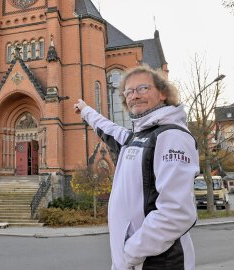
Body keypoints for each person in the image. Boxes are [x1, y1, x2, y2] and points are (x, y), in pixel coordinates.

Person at [74, 65, 199, 270]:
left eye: (143, 88)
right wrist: (86, 111)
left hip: (159, 262)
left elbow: (177, 212)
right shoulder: (138, 137)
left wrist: (132, 252)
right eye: (129, 91)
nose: (135, 95)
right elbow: (109, 129)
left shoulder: (171, 136)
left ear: (163, 93)